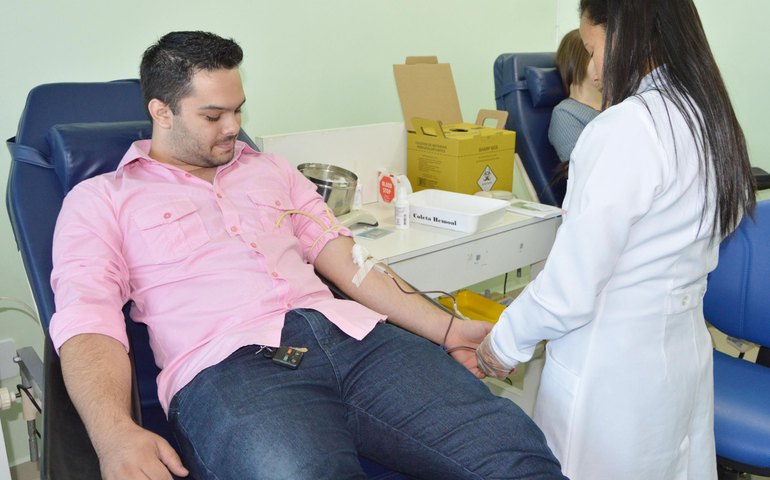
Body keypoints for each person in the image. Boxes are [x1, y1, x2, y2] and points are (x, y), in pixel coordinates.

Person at [49, 31, 567, 480]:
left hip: (356, 339)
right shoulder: (101, 200)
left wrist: (450, 330)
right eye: (213, 115)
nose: (233, 127)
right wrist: (114, 434)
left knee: (510, 447)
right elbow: (87, 319)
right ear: (160, 111)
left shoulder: (272, 170)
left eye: (237, 110)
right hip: (229, 367)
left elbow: (349, 260)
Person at [476, 1, 756, 479]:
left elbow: (569, 291)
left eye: (592, 47)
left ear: (628, 33)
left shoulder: (625, 129)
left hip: (611, 375)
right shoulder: (708, 116)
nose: (592, 67)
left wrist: (497, 347)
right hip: (681, 355)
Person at [548, 28, 602, 163]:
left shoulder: (620, 103)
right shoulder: (565, 114)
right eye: (596, 54)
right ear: (576, 61)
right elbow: (586, 170)